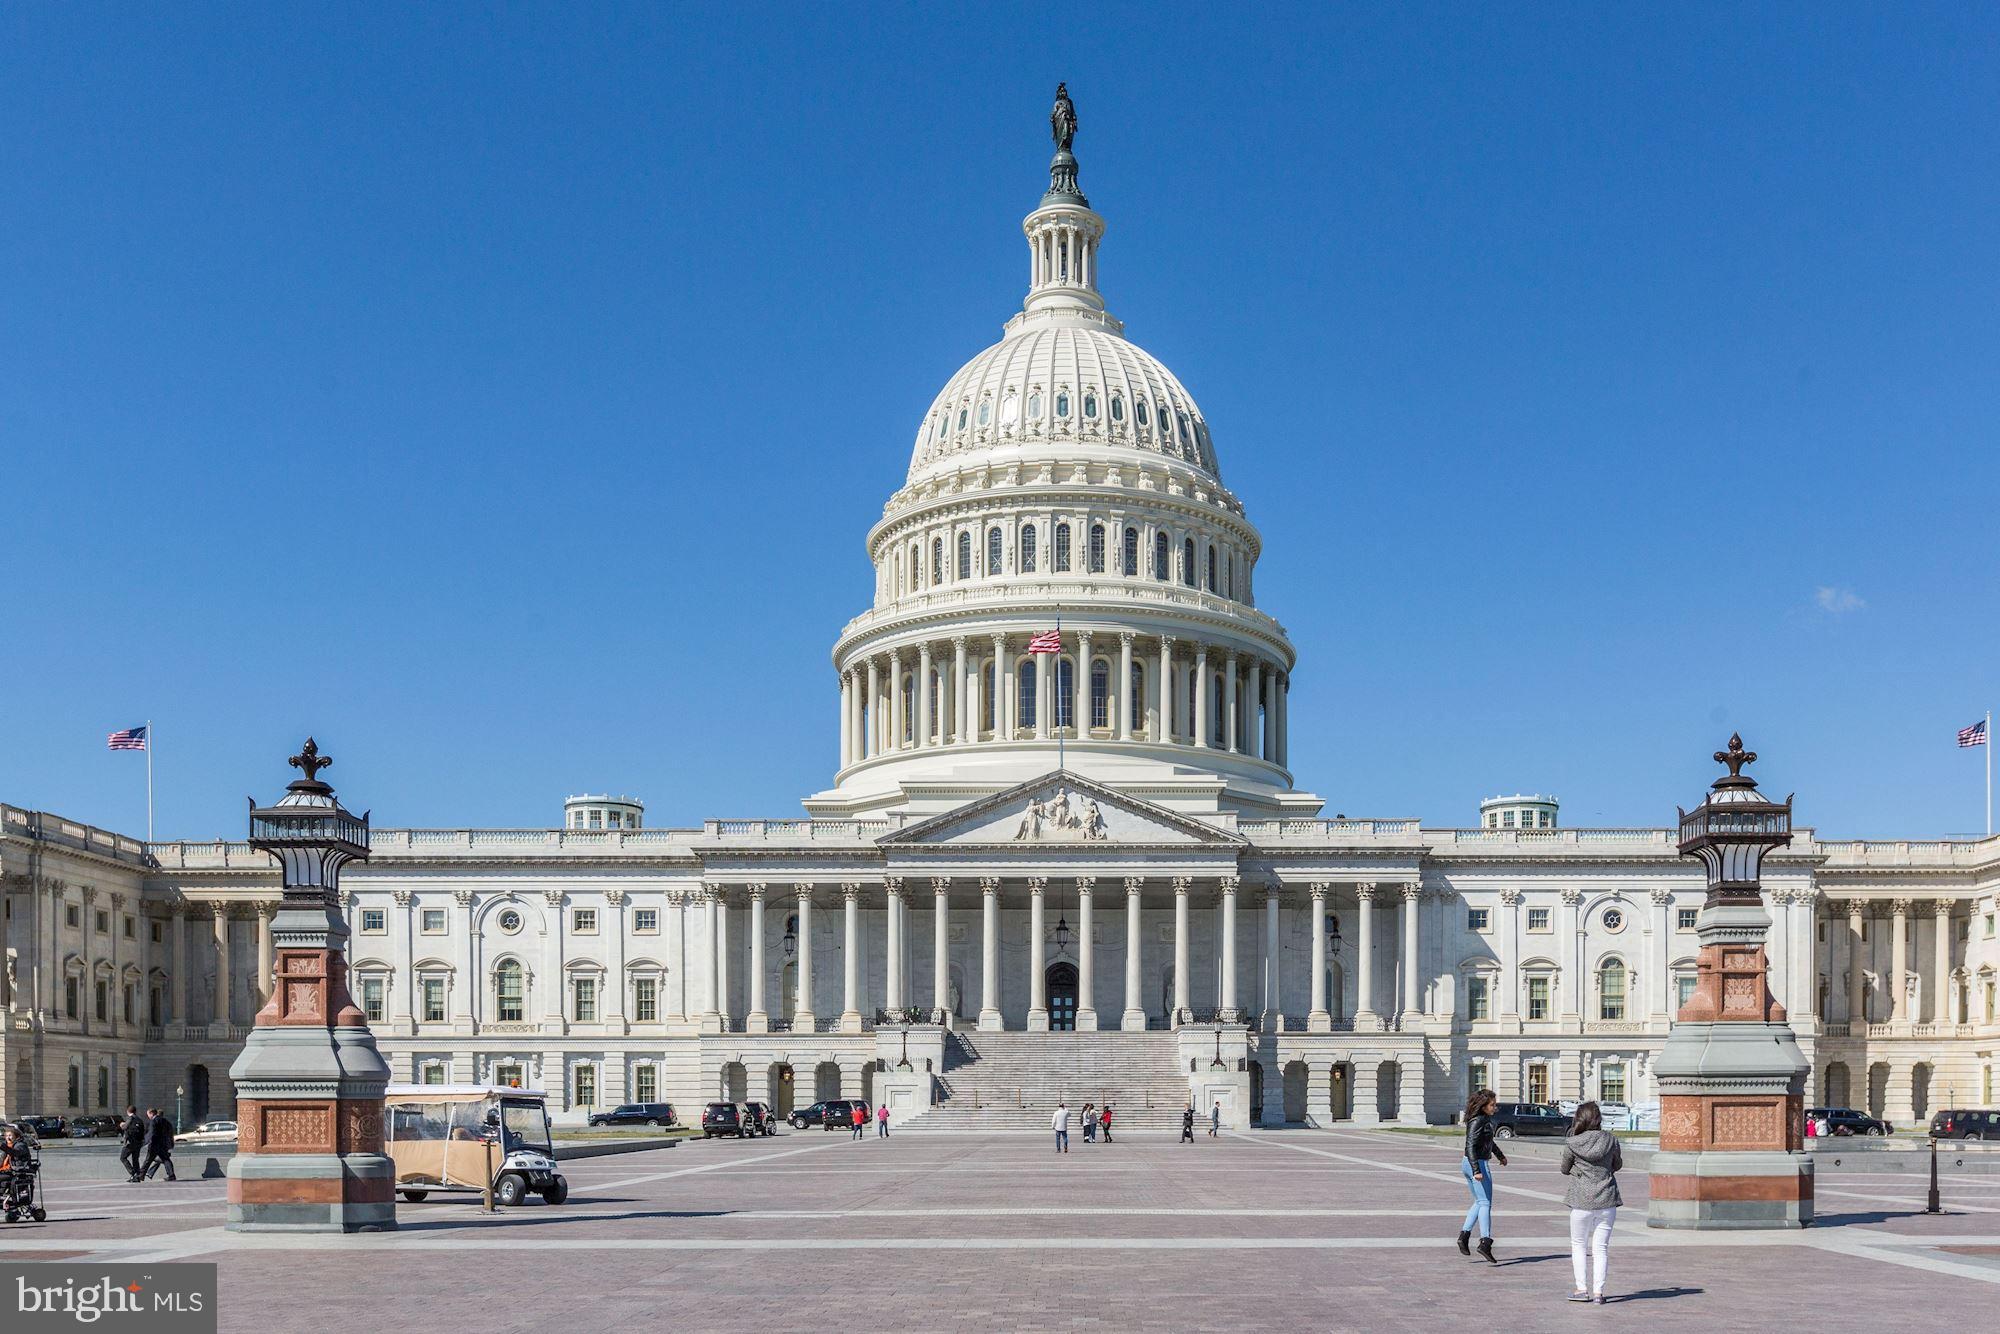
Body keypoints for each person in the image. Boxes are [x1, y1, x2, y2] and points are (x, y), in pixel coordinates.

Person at [1561, 1101, 1624, 1304]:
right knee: (1601, 1248)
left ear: (1580, 1119)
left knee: (1578, 1245)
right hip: (1607, 1198)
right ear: (1598, 1119)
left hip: (1580, 1200)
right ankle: (1599, 1293)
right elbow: (1617, 1164)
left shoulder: (1573, 1142)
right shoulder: (1611, 1140)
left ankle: (1582, 1289)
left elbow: (1564, 1168)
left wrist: (1578, 1170)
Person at [1459, 1088, 1506, 1263]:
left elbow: (1488, 1141)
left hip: (1472, 1163)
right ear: (1483, 1106)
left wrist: (1500, 1155)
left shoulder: (1484, 1120)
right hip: (1476, 1163)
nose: (1495, 1107)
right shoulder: (1477, 1121)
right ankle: (1485, 1241)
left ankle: (1464, 1236)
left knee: (1479, 1202)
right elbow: (1470, 1145)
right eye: (1492, 1105)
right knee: (1485, 1203)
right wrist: (1477, 1170)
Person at [141, 1107, 177, 1182]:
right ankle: (171, 1175)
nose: (148, 1116)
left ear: (151, 1113)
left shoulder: (154, 1121)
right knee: (166, 1159)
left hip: (154, 1144)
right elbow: (169, 1132)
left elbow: (151, 1133)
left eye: (148, 1114)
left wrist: (144, 1143)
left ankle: (141, 1175)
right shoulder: (165, 1121)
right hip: (163, 1144)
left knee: (148, 1160)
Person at [118, 1106, 146, 1183]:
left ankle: (133, 1173)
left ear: (128, 1111)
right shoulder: (139, 1120)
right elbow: (143, 1131)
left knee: (123, 1157)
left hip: (130, 1143)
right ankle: (137, 1176)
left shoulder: (130, 1118)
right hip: (138, 1142)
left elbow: (124, 1127)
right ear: (135, 1111)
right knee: (135, 1159)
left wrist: (122, 1125)